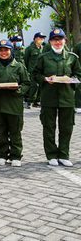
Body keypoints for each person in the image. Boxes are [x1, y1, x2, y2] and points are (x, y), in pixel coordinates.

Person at [33, 28, 81, 167]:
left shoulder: (72, 58)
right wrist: (45, 79)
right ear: (50, 42)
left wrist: (71, 80)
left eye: (60, 39)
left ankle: (64, 154)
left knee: (66, 127)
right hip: (49, 97)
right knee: (49, 127)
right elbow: (35, 74)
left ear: (65, 40)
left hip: (67, 98)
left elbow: (78, 74)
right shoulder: (43, 57)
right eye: (54, 39)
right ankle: (52, 155)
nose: (58, 42)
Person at [0, 40, 30, 166]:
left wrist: (18, 91)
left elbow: (27, 83)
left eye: (6, 50)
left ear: (11, 51)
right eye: (1, 50)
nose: (4, 53)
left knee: (15, 132)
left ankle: (16, 156)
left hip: (14, 104)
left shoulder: (19, 66)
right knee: (1, 131)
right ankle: (2, 154)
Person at [24, 32, 46, 109]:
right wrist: (27, 71)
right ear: (35, 38)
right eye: (40, 38)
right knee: (33, 86)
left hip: (40, 71)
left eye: (43, 38)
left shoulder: (43, 48)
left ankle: (37, 102)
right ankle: (28, 101)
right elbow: (26, 60)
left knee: (40, 86)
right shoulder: (29, 48)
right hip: (32, 71)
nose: (42, 40)